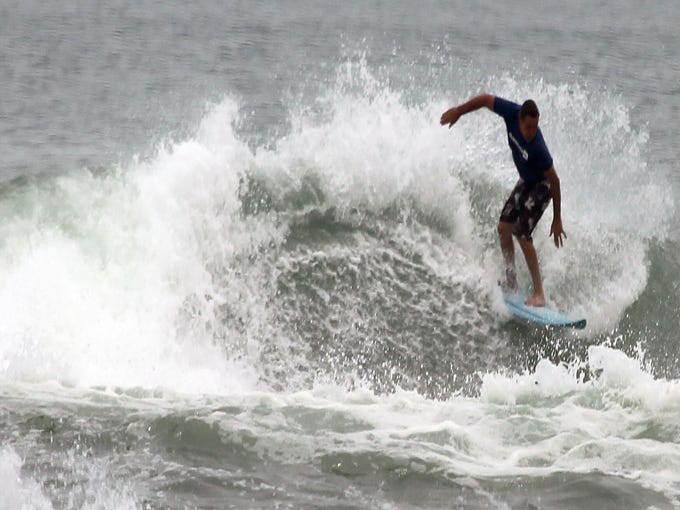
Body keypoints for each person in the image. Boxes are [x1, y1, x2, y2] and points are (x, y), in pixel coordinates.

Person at [440, 94, 566, 307]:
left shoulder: (538, 148)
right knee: (503, 228)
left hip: (543, 186)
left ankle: (539, 294)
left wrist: (557, 219)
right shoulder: (510, 112)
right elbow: (486, 100)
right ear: (520, 120)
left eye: (535, 127)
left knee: (522, 234)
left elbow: (555, 181)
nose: (531, 132)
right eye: (528, 127)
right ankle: (511, 279)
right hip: (526, 181)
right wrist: (459, 111)